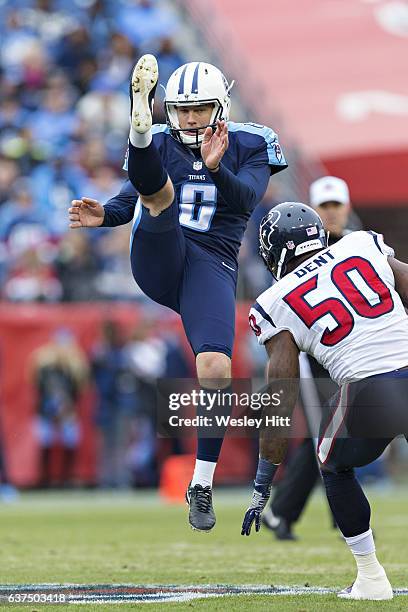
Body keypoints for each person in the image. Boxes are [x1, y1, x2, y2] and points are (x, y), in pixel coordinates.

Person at [68, 54, 287, 531]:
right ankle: (138, 129)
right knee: (159, 197)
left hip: (212, 262)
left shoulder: (251, 141)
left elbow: (246, 199)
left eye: (199, 109)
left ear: (221, 107)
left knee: (216, 368)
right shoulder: (169, 141)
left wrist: (214, 168)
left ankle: (201, 484)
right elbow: (134, 197)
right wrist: (105, 214)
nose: (189, 118)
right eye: (181, 109)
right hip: (159, 253)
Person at [242, 202, 408, 600]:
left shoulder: (276, 300)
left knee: (331, 462)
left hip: (371, 391)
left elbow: (281, 396)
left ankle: (370, 578)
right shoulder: (361, 244)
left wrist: (264, 480)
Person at [262, 176, 360, 540]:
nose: (331, 213)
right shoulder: (300, 246)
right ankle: (343, 517)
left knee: (331, 437)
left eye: (336, 206)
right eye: (324, 207)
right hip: (314, 357)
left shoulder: (358, 243)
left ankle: (281, 512)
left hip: (350, 355)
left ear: (347, 207)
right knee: (331, 436)